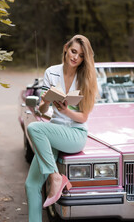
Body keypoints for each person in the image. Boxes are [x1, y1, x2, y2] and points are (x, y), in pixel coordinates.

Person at [25, 34, 98, 222]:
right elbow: (42, 110)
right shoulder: (51, 72)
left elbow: (83, 117)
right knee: (31, 186)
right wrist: (46, 101)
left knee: (34, 128)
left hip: (75, 134)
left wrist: (66, 111)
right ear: (66, 48)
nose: (75, 57)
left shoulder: (86, 78)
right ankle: (55, 177)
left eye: (81, 55)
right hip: (54, 133)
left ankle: (55, 177)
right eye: (73, 51)